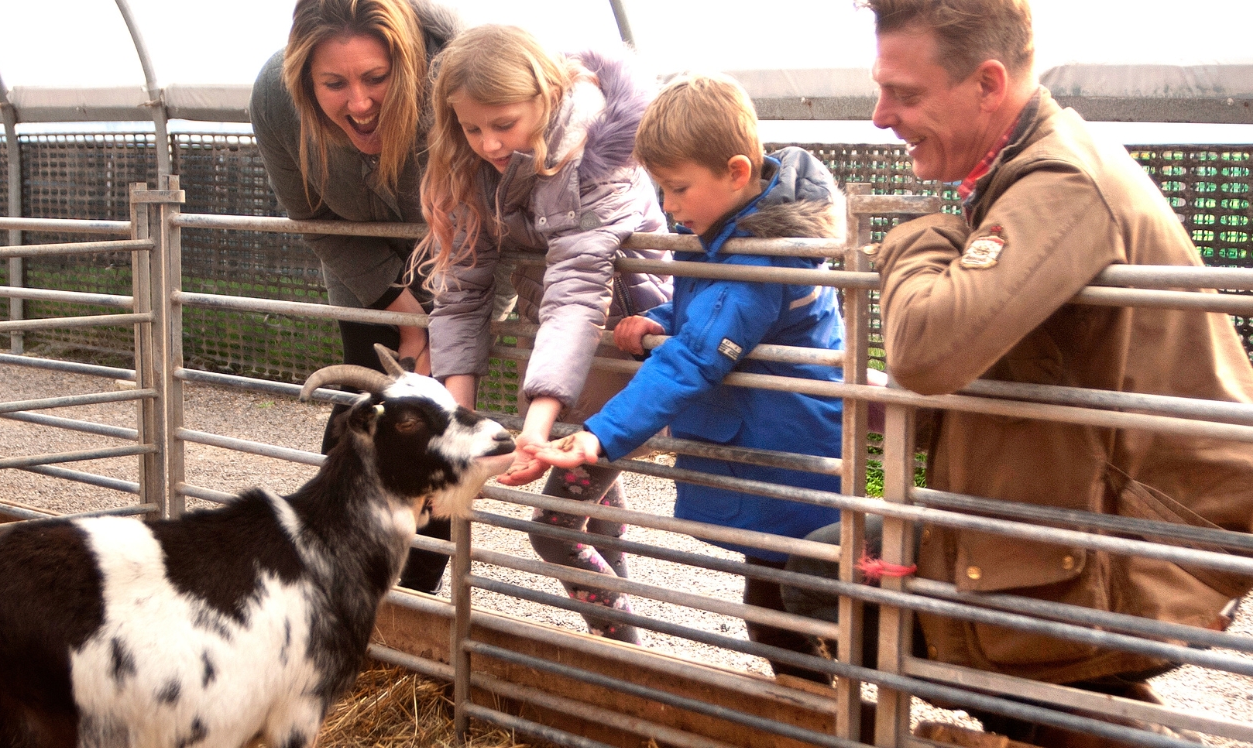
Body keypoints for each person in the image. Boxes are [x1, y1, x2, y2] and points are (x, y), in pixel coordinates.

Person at [784, 1, 1253, 745]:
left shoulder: (1060, 180)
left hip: (1141, 529)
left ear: (988, 83)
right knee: (810, 585)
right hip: (1074, 507)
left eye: (906, 94)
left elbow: (927, 349)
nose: (880, 115)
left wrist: (918, 235)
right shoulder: (1021, 169)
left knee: (844, 601)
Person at [532, 73, 846, 682]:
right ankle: (818, 710)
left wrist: (602, 432)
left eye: (677, 189)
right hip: (773, 450)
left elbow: (699, 352)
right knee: (777, 604)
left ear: (734, 172)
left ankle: (836, 715)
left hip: (787, 456)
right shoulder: (732, 230)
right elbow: (702, 313)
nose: (668, 206)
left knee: (791, 610)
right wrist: (655, 317)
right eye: (661, 188)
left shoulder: (761, 258)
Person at [416, 25, 671, 644]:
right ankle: (624, 662)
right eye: (472, 128)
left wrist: (534, 423)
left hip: (632, 369)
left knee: (552, 531)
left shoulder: (602, 158)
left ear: (545, 94)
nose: (488, 142)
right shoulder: (477, 166)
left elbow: (578, 293)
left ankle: (625, 653)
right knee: (594, 514)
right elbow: (462, 293)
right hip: (578, 371)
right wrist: (461, 414)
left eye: (503, 123)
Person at [249, 0, 461, 594]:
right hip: (361, 272)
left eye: (376, 77)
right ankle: (333, 586)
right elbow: (312, 217)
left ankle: (411, 605)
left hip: (458, 269)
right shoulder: (275, 98)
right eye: (333, 83)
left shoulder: (457, 75)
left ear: (410, 64)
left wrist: (433, 327)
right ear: (302, 76)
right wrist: (394, 304)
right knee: (360, 416)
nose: (359, 103)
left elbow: (488, 214)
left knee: (432, 434)